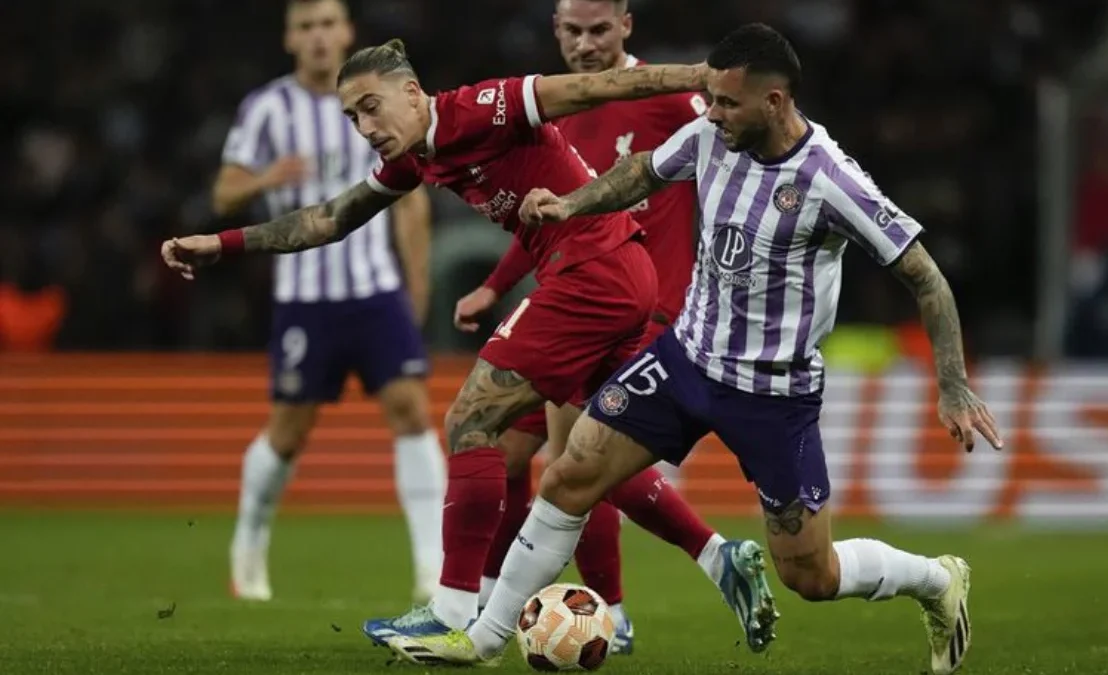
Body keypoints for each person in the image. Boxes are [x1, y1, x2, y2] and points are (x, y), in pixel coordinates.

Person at [384, 23, 1004, 675]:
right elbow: (639, 175)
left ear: (776, 102)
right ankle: (482, 638)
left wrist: (953, 384)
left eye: (728, 103)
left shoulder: (829, 179)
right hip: (685, 361)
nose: (713, 113)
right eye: (711, 99)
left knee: (809, 573)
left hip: (774, 394)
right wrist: (569, 205)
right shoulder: (711, 135)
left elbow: (924, 275)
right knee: (570, 475)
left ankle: (937, 579)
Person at [161, 37, 771, 651]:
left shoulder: (483, 107)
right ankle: (720, 557)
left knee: (470, 421)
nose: (365, 127)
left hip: (592, 273)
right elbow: (330, 218)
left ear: (411, 92)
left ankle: (455, 611)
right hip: (614, 270)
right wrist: (223, 243)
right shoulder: (418, 158)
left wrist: (699, 74)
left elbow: (593, 87)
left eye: (372, 107)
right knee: (591, 459)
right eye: (353, 117)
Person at [463, 0, 715, 654]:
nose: (585, 44)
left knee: (575, 456)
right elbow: (549, 215)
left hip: (642, 305)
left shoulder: (667, 101)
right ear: (555, 32)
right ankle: (487, 591)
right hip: (568, 296)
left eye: (599, 30)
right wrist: (494, 284)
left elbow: (733, 147)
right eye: (572, 32)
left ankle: (618, 609)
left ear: (627, 26)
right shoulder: (553, 110)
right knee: (508, 450)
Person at [210, 0, 444, 603]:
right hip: (305, 297)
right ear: (291, 38)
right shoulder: (267, 108)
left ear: (346, 32)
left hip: (374, 289)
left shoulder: (380, 103)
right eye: (306, 27)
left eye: (327, 25)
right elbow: (223, 194)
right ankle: (250, 544)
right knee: (289, 432)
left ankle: (431, 567)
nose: (318, 37)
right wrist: (266, 179)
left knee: (412, 410)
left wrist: (415, 282)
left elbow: (412, 195)